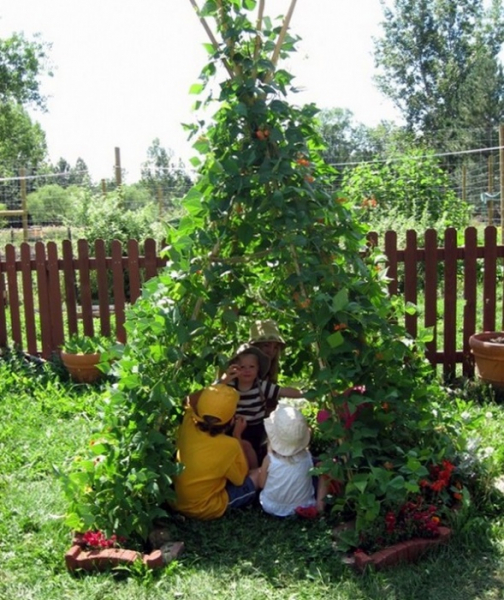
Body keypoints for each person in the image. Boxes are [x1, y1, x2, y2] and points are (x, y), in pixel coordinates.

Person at [172, 383, 260, 520]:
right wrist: (237, 435)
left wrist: (222, 381)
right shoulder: (231, 445)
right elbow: (240, 480)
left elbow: (188, 400)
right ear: (232, 419)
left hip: (175, 502)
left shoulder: (188, 422)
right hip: (204, 508)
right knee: (256, 475)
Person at [220, 343, 303, 468]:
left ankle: (255, 473)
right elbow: (212, 391)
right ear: (235, 368)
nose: (247, 370)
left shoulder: (260, 385)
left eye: (251, 366)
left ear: (258, 369)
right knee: (235, 449)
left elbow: (283, 391)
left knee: (251, 449)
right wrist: (224, 379)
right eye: (242, 367)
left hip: (255, 426)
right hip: (234, 426)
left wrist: (305, 394)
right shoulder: (230, 385)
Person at [258, 403, 327, 517]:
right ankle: (320, 506)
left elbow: (261, 484)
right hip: (303, 505)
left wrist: (269, 453)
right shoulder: (306, 456)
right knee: (323, 467)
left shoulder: (270, 459)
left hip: (271, 506)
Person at [248, 319, 286, 383]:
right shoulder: (243, 371)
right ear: (255, 346)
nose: (271, 351)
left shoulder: (269, 374)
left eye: (275, 347)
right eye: (266, 345)